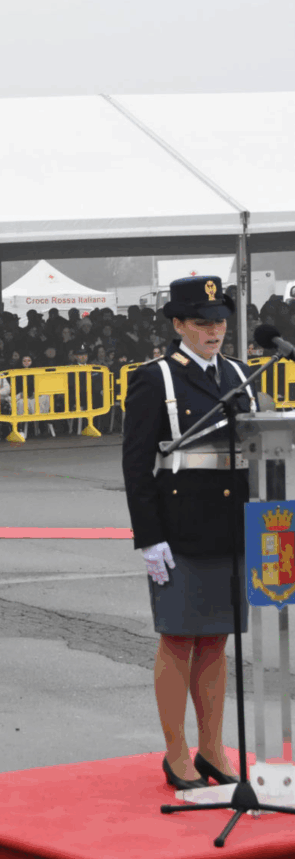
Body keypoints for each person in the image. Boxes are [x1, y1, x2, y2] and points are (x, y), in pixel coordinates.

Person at [122, 275, 257, 790]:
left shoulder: (240, 374)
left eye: (219, 321)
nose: (214, 330)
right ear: (178, 324)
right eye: (202, 322)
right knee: (178, 639)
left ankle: (213, 749)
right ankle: (176, 752)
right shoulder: (155, 378)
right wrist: (149, 536)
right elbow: (137, 465)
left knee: (217, 641)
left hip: (232, 526)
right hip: (180, 529)